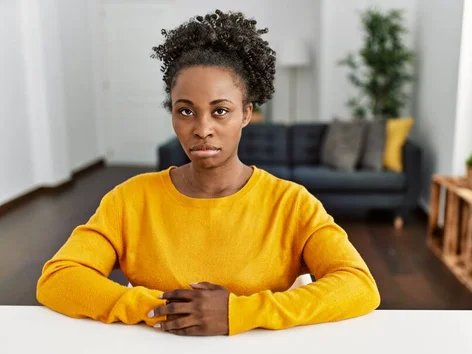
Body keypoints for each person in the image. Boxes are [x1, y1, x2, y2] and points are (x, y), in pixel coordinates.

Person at [36, 9, 380, 336]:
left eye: (220, 111)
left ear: (246, 113)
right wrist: (160, 309)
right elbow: (60, 278)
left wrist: (237, 313)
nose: (202, 128)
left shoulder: (291, 204)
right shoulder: (131, 198)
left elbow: (358, 285)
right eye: (185, 111)